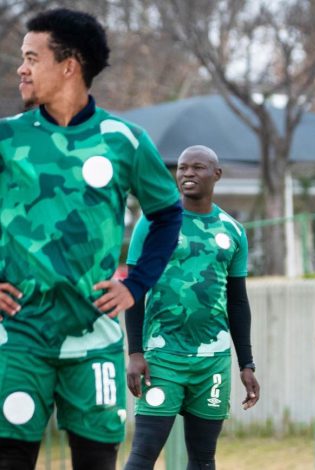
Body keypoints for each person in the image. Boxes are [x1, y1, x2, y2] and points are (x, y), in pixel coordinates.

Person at [0, 8, 183, 470]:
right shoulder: (6, 139)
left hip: (94, 339)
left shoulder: (123, 140)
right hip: (16, 339)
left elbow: (167, 215)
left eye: (31, 57)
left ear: (69, 65)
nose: (20, 68)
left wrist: (135, 283)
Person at [123, 145, 260, 469]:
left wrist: (247, 363)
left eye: (197, 168)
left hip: (211, 362)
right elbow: (135, 290)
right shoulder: (154, 221)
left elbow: (238, 301)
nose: (187, 174)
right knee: (143, 455)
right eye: (182, 168)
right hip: (162, 358)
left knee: (202, 459)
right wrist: (135, 353)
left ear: (216, 175)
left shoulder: (232, 230)